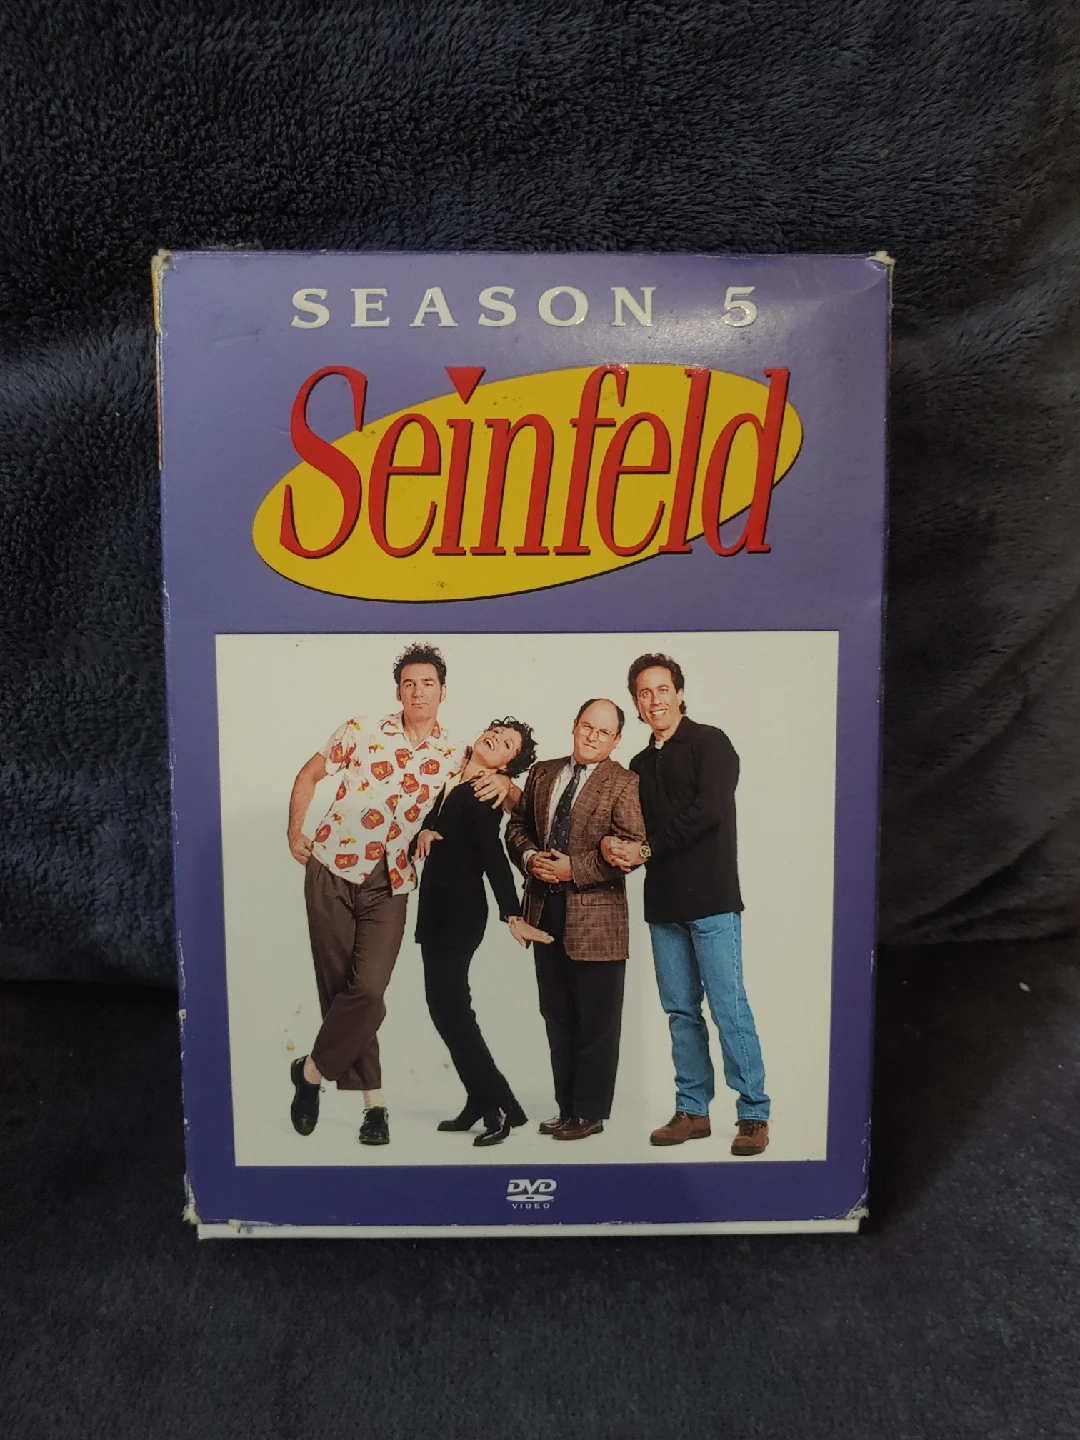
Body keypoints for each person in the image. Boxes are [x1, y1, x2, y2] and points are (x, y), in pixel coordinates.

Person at [285, 643, 513, 1147]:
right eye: (409, 684)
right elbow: (309, 774)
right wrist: (294, 830)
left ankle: (310, 1073)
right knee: (340, 989)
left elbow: (507, 789)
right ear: (398, 692)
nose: (418, 692)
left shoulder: (456, 754)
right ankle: (375, 1106)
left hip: (391, 883)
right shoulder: (360, 730)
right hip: (331, 867)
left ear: (443, 692)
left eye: (428, 684)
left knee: (368, 992)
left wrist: (502, 780)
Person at [603, 654, 770, 1156]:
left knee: (728, 1007)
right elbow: (633, 830)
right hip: (663, 906)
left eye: (662, 689)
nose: (654, 700)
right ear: (636, 703)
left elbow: (707, 812)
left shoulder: (710, 743)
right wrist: (616, 846)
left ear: (679, 693)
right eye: (644, 693)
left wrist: (645, 850)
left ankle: (753, 1113)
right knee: (680, 1012)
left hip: (713, 901)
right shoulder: (638, 765)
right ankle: (693, 1111)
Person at [505, 699, 646, 1140]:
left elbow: (631, 847)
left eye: (603, 733)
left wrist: (576, 869)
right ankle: (566, 1108)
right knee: (557, 1014)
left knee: (596, 1018)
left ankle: (589, 1113)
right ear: (574, 726)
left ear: (616, 740)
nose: (592, 737)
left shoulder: (624, 782)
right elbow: (516, 827)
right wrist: (529, 857)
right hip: (544, 909)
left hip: (597, 917)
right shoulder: (543, 772)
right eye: (587, 726)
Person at [413, 718, 551, 1147]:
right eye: (497, 731)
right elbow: (440, 830)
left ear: (506, 765)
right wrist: (425, 832)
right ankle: (482, 1100)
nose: (496, 738)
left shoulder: (484, 791)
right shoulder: (455, 780)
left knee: (452, 1013)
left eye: (507, 743)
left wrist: (513, 914)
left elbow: (492, 854)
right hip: (437, 911)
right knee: (446, 1011)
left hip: (459, 913)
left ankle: (502, 1105)